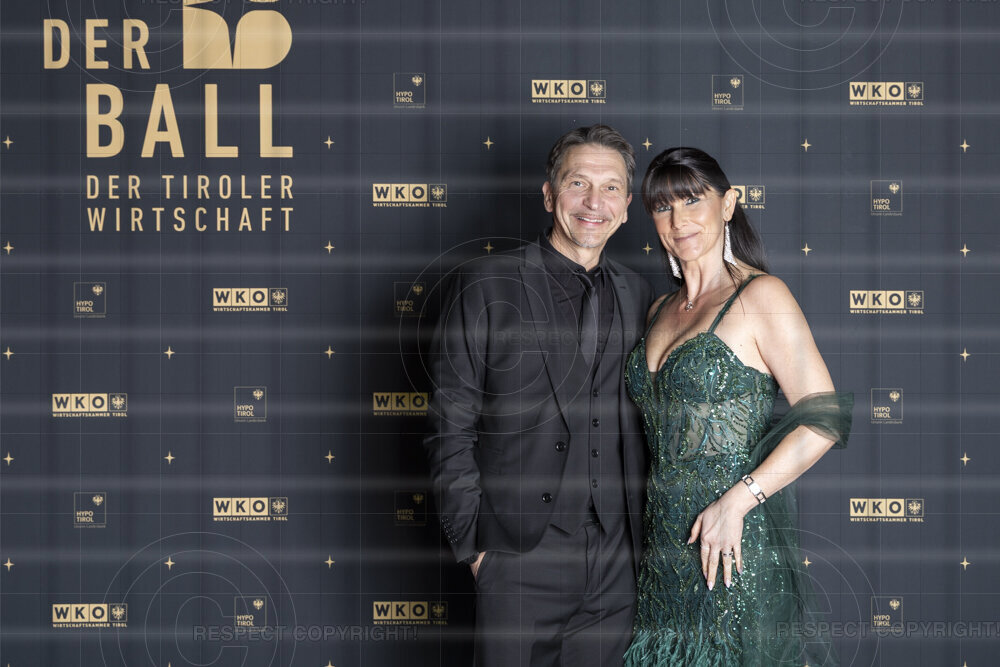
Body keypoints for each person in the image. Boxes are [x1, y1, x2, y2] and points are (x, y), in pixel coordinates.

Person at [423, 124, 654, 667]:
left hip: (616, 559)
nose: (594, 202)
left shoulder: (640, 293)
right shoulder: (485, 283)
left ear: (626, 208)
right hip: (517, 552)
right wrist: (476, 547)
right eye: (578, 183)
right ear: (550, 195)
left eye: (611, 188)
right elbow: (449, 424)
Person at [622, 147, 853, 666]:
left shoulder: (761, 296)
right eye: (663, 207)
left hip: (732, 549)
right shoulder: (659, 308)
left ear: (728, 205)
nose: (678, 220)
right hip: (661, 553)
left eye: (692, 200)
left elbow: (825, 420)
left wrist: (737, 502)